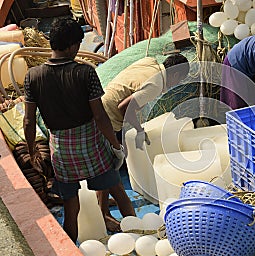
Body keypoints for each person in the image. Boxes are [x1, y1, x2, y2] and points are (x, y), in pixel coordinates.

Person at [23, 17, 135, 242]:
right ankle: (141, 234)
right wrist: (115, 145)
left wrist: (32, 149)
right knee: (119, 193)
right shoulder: (85, 73)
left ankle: (71, 251)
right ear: (73, 45)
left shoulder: (32, 77)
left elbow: (28, 121)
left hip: (61, 151)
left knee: (70, 209)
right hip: (92, 146)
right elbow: (100, 116)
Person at [99, 54, 189, 230]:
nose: (175, 85)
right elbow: (124, 107)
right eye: (178, 81)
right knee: (106, 168)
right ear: (175, 75)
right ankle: (104, 215)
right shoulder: (155, 84)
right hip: (107, 117)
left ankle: (104, 202)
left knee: (106, 166)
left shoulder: (150, 63)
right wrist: (139, 130)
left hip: (103, 103)